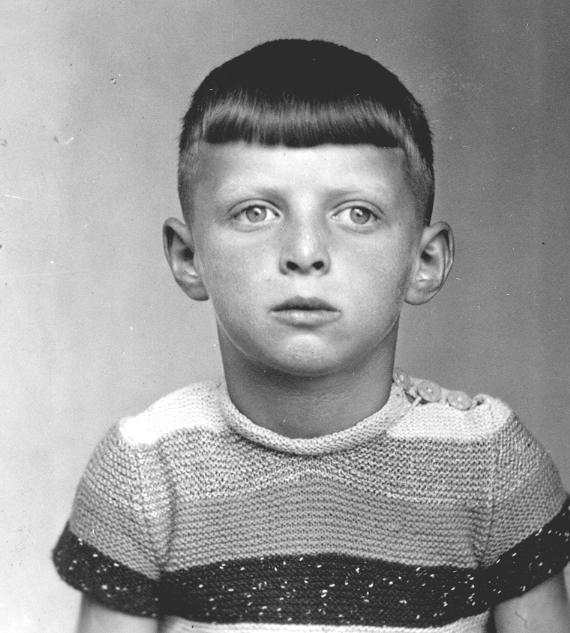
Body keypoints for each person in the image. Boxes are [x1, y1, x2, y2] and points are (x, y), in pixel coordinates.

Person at [52, 39, 570, 633]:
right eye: (256, 212)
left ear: (425, 261)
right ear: (188, 257)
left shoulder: (492, 464)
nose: (304, 252)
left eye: (356, 213)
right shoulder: (145, 471)